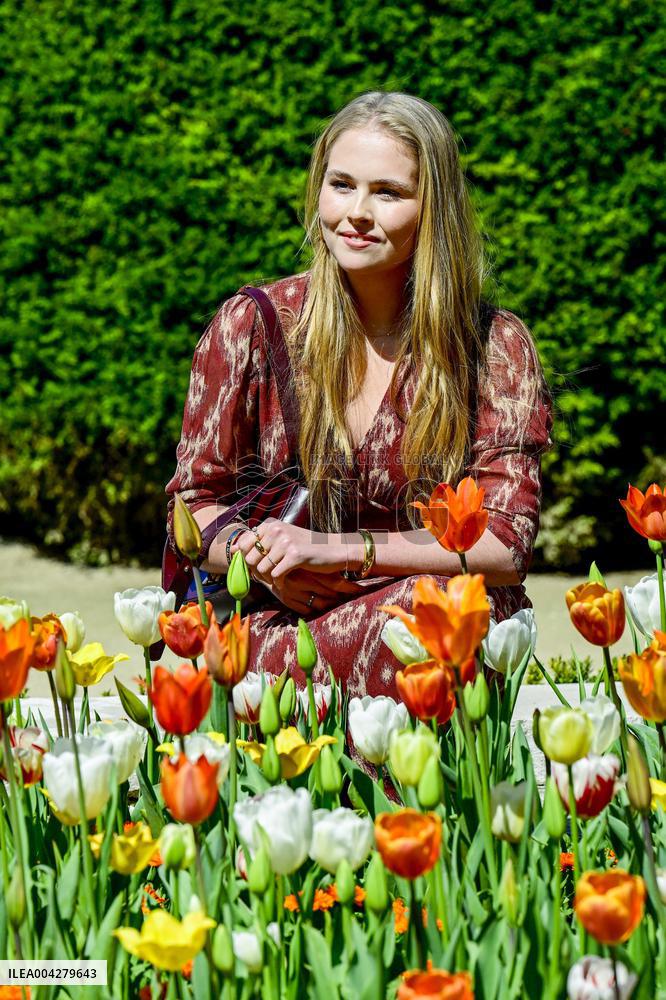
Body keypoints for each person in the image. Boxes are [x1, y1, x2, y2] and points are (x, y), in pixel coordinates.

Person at [165, 91, 553, 699]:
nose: (357, 213)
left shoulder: (491, 347)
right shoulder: (252, 328)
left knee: (443, 614)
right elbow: (192, 507)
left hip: (424, 621)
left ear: (435, 209)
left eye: (389, 192)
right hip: (277, 617)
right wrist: (262, 559)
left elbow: (503, 544)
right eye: (341, 185)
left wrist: (336, 552)